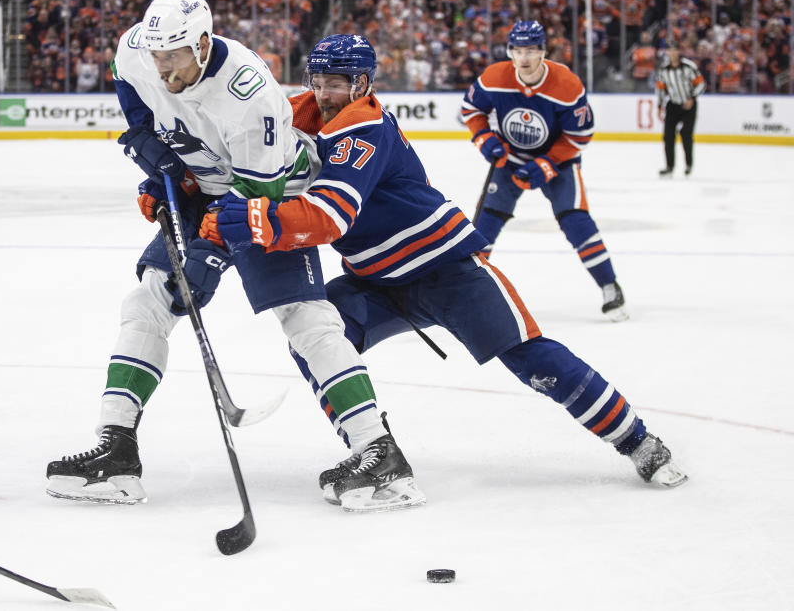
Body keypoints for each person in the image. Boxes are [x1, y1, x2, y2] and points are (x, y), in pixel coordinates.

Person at [203, 33, 687, 510]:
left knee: (532, 358)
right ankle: (377, 451)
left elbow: (328, 219)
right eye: (319, 81)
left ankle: (638, 440)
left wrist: (250, 221)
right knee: (317, 336)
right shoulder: (302, 109)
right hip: (376, 279)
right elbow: (249, 135)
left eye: (339, 82)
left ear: (364, 83)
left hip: (446, 268)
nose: (326, 93)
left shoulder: (364, 128)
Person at [44, 0, 419, 510]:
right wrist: (152, 150)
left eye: (173, 56)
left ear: (201, 44)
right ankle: (116, 451)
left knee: (305, 318)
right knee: (148, 303)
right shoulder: (140, 49)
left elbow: (253, 194)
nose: (162, 66)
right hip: (206, 184)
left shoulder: (249, 94)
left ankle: (380, 454)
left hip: (269, 190)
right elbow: (129, 83)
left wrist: (209, 255)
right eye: (156, 54)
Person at [460, 20, 628, 322]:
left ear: (543, 52)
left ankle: (609, 286)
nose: (524, 58)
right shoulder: (494, 77)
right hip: (509, 160)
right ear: (510, 52)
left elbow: (580, 136)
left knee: (575, 221)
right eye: (518, 50)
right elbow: (471, 111)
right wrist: (484, 139)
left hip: (559, 162)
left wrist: (548, 163)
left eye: (531, 50)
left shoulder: (567, 84)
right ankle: (465, 296)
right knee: (484, 229)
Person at [656, 42, 705, 177]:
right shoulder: (664, 70)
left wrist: (692, 97)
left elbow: (701, 84)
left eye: (674, 50)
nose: (672, 54)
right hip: (673, 104)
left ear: (679, 52)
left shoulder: (689, 67)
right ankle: (669, 166)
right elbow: (660, 89)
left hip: (689, 105)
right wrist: (659, 106)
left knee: (686, 134)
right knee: (668, 136)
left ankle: (689, 164)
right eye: (669, 51)